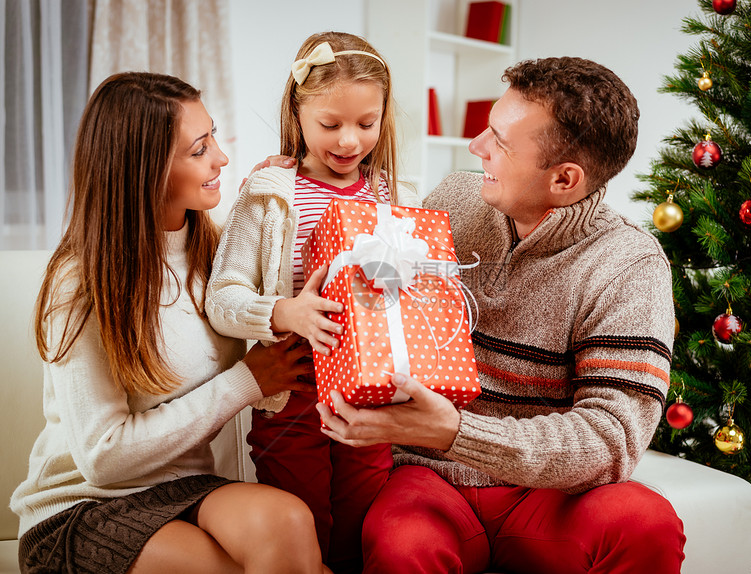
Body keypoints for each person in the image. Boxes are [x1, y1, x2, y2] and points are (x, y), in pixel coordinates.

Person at [317, 57, 687, 573]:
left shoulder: (629, 265)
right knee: (402, 542)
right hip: (432, 478)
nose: (476, 147)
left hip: (547, 495)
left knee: (646, 521)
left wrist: (455, 432)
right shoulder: (455, 200)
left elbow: (610, 440)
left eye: (501, 141)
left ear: (564, 179)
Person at [10, 72, 329, 574]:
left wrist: (277, 196)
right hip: (86, 505)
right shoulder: (81, 283)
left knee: (289, 522)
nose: (221, 158)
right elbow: (103, 457)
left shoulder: (216, 255)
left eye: (214, 136)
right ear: (145, 168)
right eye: (199, 148)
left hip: (187, 489)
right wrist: (246, 382)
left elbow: (289, 289)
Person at [205, 31, 420, 574]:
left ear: (384, 117)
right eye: (330, 124)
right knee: (301, 528)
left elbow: (414, 298)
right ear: (297, 113)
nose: (349, 141)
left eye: (366, 123)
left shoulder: (397, 197)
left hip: (371, 398)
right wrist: (283, 312)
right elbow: (222, 298)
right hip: (291, 389)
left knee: (359, 529)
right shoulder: (269, 193)